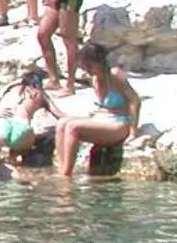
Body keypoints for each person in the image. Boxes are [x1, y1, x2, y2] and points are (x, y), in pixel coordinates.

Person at [56, 41, 140, 178]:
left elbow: (134, 100)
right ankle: (62, 167)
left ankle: (66, 175)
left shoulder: (114, 75)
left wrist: (133, 130)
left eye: (88, 65)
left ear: (99, 62)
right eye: (84, 65)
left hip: (119, 123)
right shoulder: (94, 79)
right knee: (62, 123)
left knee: (73, 127)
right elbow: (105, 106)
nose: (86, 69)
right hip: (103, 120)